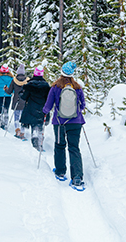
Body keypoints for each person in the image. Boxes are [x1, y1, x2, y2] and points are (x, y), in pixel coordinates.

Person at [43, 61, 86, 190]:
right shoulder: (77, 87)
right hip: (76, 122)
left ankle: (60, 171)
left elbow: (48, 105)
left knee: (60, 145)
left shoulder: (55, 87)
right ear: (72, 74)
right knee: (74, 148)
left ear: (61, 72)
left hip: (59, 123)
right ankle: (77, 177)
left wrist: (44, 113)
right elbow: (82, 105)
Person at [20, 66, 50, 151]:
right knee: (40, 126)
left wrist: (21, 94)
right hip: (42, 109)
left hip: (31, 109)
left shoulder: (30, 85)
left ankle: (35, 142)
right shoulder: (46, 86)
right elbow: (48, 99)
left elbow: (24, 97)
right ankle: (40, 143)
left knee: (34, 126)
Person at [5, 64, 29, 139]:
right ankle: (22, 132)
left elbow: (9, 92)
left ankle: (17, 130)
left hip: (16, 101)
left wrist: (5, 89)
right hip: (24, 101)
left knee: (16, 117)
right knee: (23, 117)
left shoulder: (14, 80)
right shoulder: (27, 81)